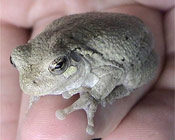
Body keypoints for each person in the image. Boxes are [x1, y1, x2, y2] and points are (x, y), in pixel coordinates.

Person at [0, 1, 174, 140]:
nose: (28, 80)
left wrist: (95, 95)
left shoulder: (87, 60)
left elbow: (114, 72)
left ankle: (119, 91)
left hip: (136, 43)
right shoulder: (46, 49)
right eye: (16, 61)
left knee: (132, 78)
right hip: (103, 24)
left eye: (57, 66)